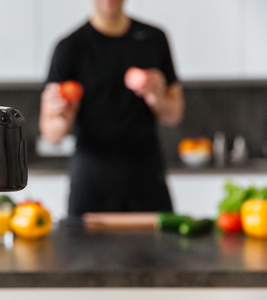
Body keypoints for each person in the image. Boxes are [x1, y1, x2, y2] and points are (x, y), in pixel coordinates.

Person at [39, 0, 184, 217]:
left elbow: (175, 114)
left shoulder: (154, 38)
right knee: (86, 252)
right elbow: (50, 133)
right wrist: (63, 117)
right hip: (91, 183)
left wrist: (157, 98)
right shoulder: (70, 47)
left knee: (157, 251)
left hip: (147, 179)